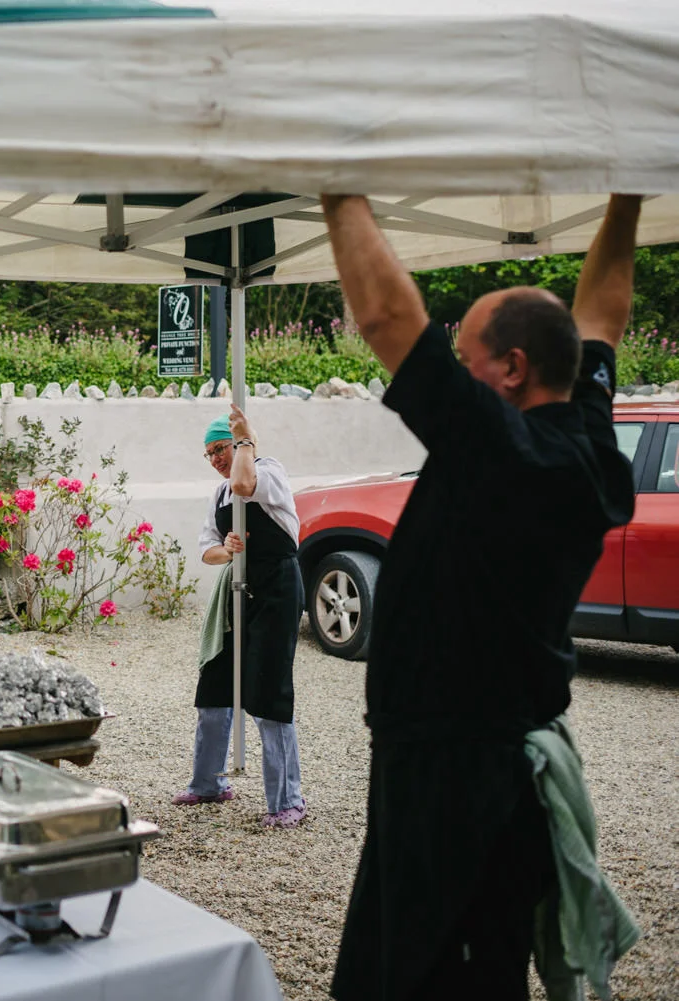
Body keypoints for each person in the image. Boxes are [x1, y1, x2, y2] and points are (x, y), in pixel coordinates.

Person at [322, 194, 642, 1000]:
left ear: (512, 369)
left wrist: (334, 188)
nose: (455, 374)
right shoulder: (587, 438)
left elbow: (388, 316)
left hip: (454, 783)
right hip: (475, 767)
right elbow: (602, 313)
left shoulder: (504, 452)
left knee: (428, 981)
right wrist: (627, 193)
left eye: (465, 360)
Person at [173, 406, 307, 829]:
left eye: (221, 448)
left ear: (240, 445)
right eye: (209, 453)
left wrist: (248, 439)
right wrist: (227, 551)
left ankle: (288, 800)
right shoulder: (217, 496)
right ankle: (208, 784)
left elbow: (245, 483)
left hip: (277, 588)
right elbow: (207, 550)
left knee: (268, 691)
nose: (216, 458)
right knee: (214, 683)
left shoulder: (268, 471)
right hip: (235, 592)